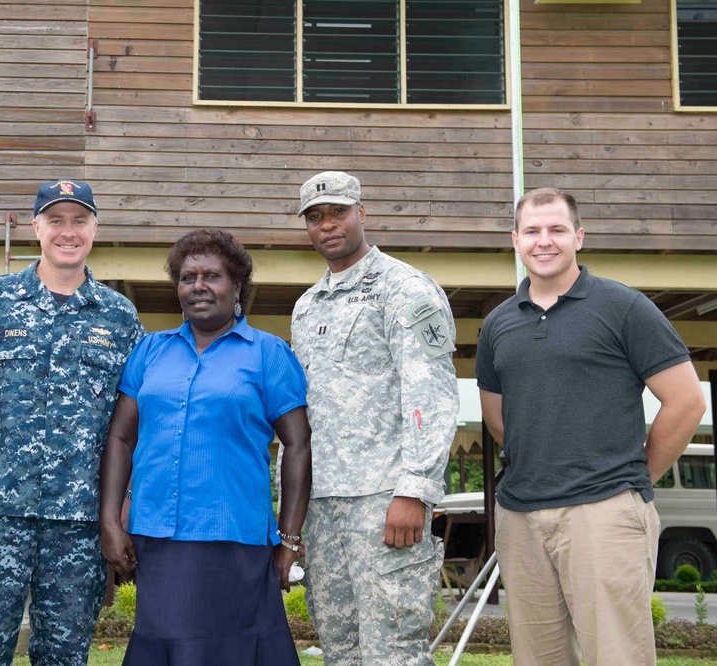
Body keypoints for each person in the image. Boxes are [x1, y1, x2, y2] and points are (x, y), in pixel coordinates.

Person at [476, 187, 707, 666]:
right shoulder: (498, 324)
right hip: (521, 519)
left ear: (578, 237)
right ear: (515, 240)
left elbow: (685, 402)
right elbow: (500, 418)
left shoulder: (623, 307)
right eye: (533, 231)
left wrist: (634, 476)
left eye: (557, 230)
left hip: (604, 512)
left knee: (616, 656)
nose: (545, 241)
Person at [0, 180, 144, 665]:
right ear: (36, 227)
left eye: (79, 220)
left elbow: (131, 417)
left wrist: (125, 501)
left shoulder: (119, 316)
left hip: (79, 519)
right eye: (56, 220)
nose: (67, 232)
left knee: (65, 656)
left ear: (95, 228)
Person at [100, 228, 311, 666]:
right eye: (186, 277)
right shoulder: (150, 352)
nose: (198, 286)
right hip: (157, 537)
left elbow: (298, 443)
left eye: (212, 276)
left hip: (233, 539)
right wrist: (111, 519)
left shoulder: (268, 354)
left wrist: (289, 537)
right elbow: (121, 437)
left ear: (237, 287)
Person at [291, 172, 458, 665]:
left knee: (394, 651)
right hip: (324, 504)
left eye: (338, 212)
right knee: (339, 649)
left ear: (361, 213)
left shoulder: (406, 288)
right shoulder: (306, 306)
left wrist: (414, 488)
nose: (328, 225)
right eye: (315, 217)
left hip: (385, 499)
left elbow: (430, 391)